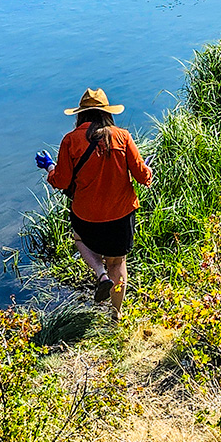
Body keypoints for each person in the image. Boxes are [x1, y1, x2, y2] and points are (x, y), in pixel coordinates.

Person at [36, 88, 152, 320]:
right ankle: (116, 314)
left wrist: (49, 167)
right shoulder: (123, 136)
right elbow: (142, 176)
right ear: (107, 113)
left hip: (87, 216)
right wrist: (148, 170)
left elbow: (61, 181)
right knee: (118, 263)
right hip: (121, 214)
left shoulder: (70, 141)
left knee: (79, 238)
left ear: (80, 115)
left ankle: (100, 274)